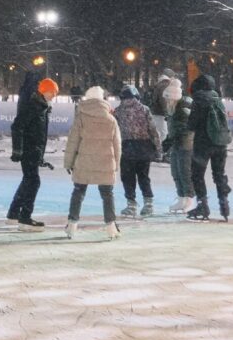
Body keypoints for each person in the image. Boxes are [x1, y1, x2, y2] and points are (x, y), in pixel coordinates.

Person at [63, 86, 123, 239]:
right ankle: (111, 227)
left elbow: (73, 142)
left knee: (78, 192)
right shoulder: (111, 119)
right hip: (105, 163)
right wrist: (116, 163)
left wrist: (68, 162)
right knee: (107, 194)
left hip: (84, 162)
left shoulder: (81, 117)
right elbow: (117, 144)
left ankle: (72, 225)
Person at [6, 76, 57, 232]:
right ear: (44, 91)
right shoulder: (34, 106)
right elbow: (17, 126)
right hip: (28, 151)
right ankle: (25, 217)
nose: (53, 96)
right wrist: (18, 150)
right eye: (52, 93)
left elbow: (38, 134)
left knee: (28, 180)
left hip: (33, 151)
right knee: (33, 182)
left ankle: (14, 213)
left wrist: (39, 156)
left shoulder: (42, 107)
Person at [187, 74, 232, 221]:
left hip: (203, 143)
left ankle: (202, 205)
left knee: (197, 175)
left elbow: (192, 124)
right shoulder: (218, 100)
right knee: (219, 174)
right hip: (220, 143)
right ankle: (224, 203)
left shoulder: (198, 100)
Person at [115, 85, 163, 218]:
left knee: (127, 177)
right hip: (143, 146)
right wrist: (158, 149)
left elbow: (115, 132)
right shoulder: (144, 109)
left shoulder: (118, 111)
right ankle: (149, 204)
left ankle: (131, 204)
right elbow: (153, 131)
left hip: (126, 147)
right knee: (143, 176)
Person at [163, 96, 196, 213]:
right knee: (176, 172)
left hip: (186, 145)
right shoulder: (173, 110)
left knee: (185, 172)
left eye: (168, 97)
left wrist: (169, 141)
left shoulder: (183, 110)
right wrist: (168, 140)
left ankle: (189, 199)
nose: (166, 100)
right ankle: (181, 198)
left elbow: (183, 129)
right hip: (176, 145)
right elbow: (173, 130)